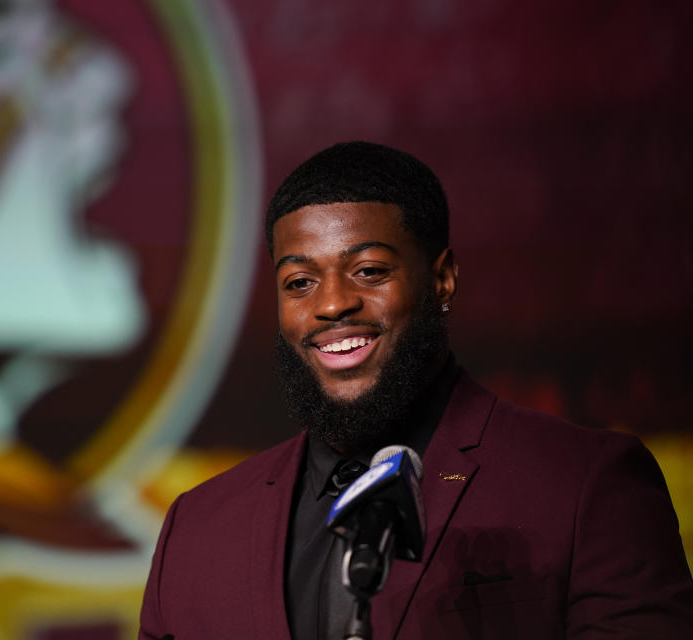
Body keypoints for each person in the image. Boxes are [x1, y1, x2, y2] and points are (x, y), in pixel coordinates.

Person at [138, 141, 693, 639]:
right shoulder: (197, 527)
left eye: (369, 271)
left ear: (442, 279)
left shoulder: (586, 486)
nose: (331, 304)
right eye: (299, 282)